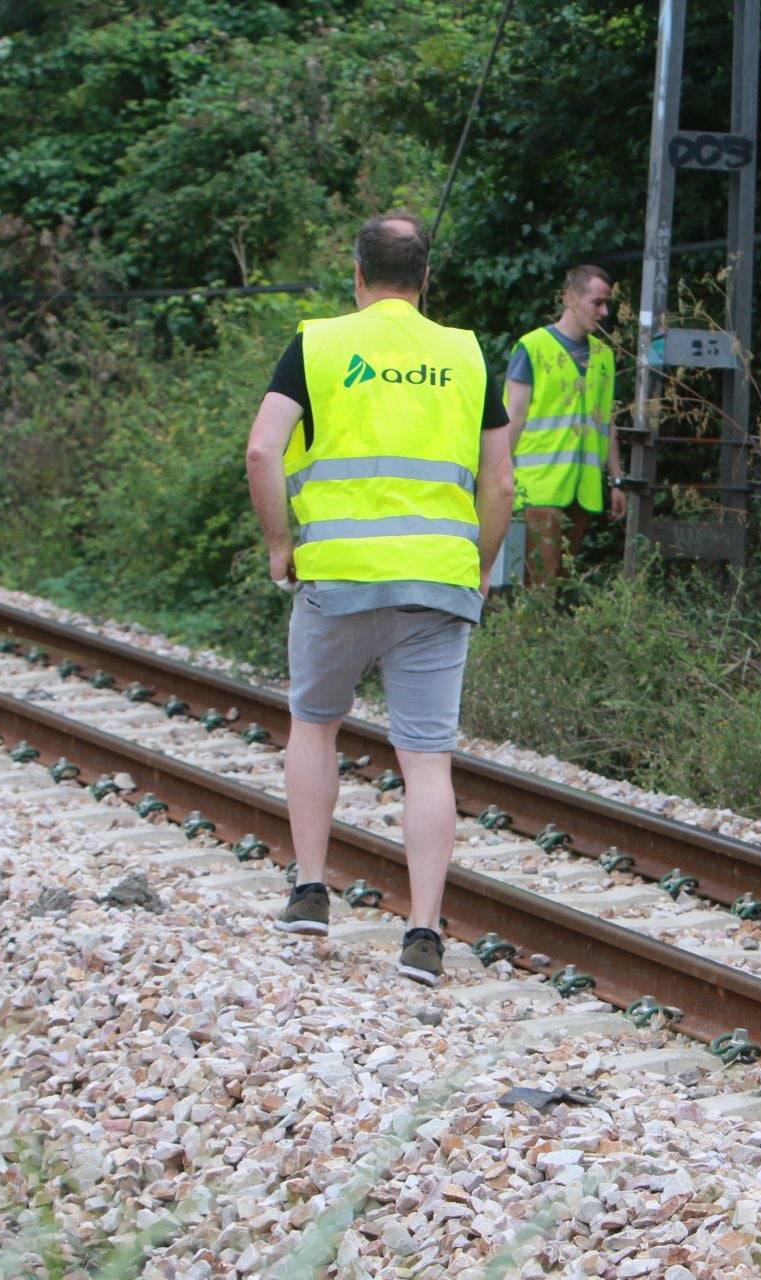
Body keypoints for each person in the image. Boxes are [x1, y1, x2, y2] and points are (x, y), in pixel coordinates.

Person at [245, 211, 515, 985]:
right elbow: (499, 480)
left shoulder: (318, 344)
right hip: (437, 582)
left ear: (356, 275)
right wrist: (482, 562)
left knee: (315, 722)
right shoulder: (466, 354)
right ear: (425, 280)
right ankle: (424, 935)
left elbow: (263, 448)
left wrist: (279, 544)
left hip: (335, 579)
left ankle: (307, 891)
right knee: (427, 761)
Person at [505, 264, 626, 583]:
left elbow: (607, 422)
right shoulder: (533, 348)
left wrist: (616, 481)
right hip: (540, 486)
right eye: (597, 302)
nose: (604, 311)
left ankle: (539, 633)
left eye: (607, 303)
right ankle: (532, 632)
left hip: (582, 490)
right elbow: (513, 416)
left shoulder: (603, 355)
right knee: (540, 580)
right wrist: (498, 476)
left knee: (558, 579)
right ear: (571, 298)